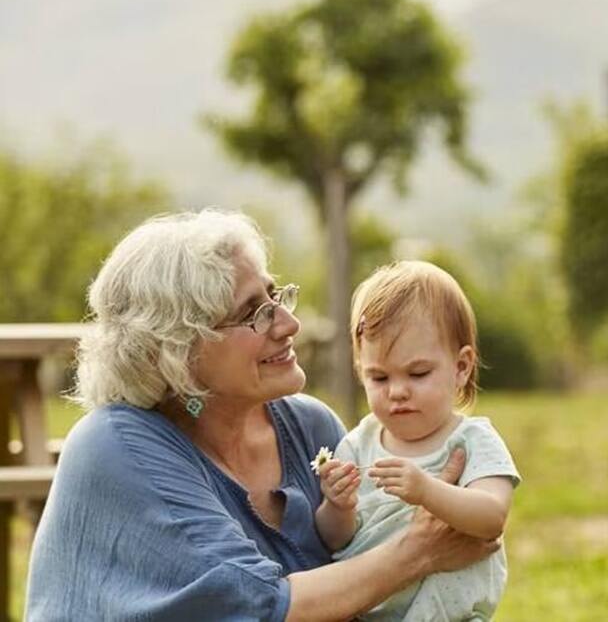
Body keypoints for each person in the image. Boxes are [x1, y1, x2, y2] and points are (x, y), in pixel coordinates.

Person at [26, 210, 498, 621]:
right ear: (177, 349)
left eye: (276, 298)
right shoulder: (114, 447)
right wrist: (420, 551)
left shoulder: (311, 428)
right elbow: (257, 604)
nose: (289, 324)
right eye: (255, 313)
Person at [315, 261, 519, 621]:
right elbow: (336, 541)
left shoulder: (472, 440)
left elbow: (491, 518)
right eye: (378, 378)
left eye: (418, 373)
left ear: (461, 367)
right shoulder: (357, 444)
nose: (397, 392)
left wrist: (426, 490)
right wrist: (338, 506)